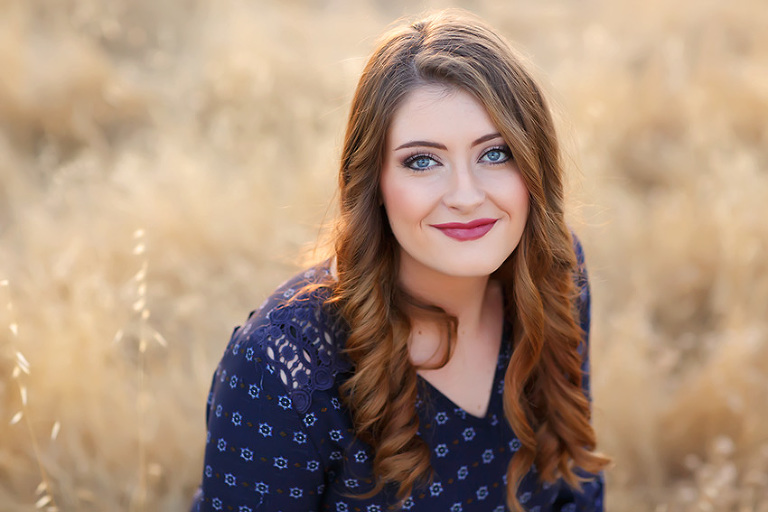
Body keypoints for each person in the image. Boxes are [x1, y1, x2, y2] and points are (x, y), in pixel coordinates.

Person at [190, 8, 609, 512]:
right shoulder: (282, 370)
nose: (465, 195)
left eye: (495, 153)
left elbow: (575, 485)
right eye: (423, 161)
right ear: (375, 185)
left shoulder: (555, 272)